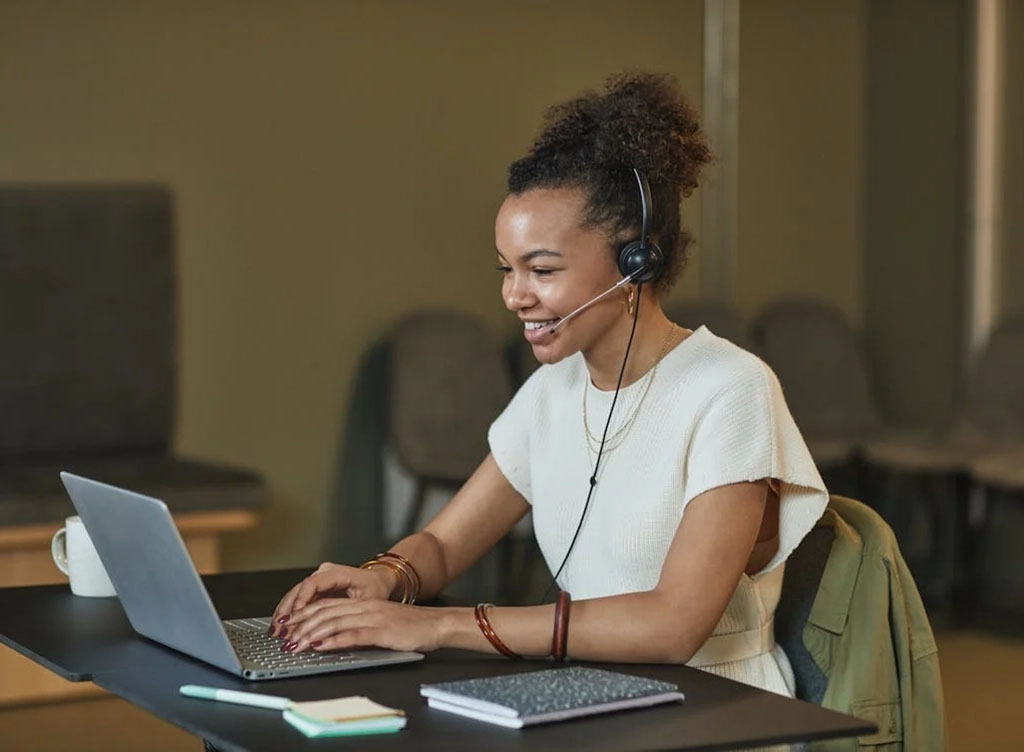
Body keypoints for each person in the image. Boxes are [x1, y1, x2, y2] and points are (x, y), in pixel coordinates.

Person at [270, 72, 828, 696]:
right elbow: (442, 544)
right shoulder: (551, 390)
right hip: (588, 694)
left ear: (636, 261)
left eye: (542, 269)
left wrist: (436, 627)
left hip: (715, 704)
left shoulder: (731, 389)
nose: (514, 295)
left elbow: (673, 627)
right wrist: (383, 578)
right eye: (508, 270)